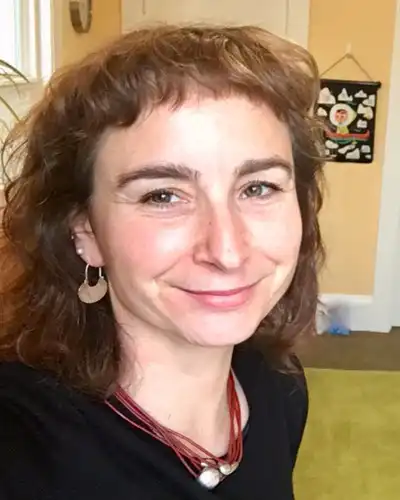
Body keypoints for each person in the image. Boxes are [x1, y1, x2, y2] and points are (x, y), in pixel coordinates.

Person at [0, 25, 324, 499]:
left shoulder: (279, 386)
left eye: (258, 188)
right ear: (86, 232)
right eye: (163, 196)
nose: (227, 251)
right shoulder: (22, 449)